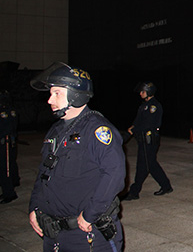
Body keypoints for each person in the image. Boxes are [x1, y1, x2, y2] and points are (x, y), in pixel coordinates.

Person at [28, 62, 126, 251]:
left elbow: (114, 175)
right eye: (51, 93)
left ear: (75, 94)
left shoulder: (97, 129)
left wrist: (90, 214)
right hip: (53, 234)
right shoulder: (55, 131)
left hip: (86, 235)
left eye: (57, 93)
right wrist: (35, 208)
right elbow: (44, 173)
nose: (50, 100)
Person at [123, 81, 172, 200]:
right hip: (143, 140)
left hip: (149, 139)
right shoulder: (144, 105)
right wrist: (133, 127)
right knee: (149, 164)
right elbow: (139, 120)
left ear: (149, 92)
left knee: (145, 165)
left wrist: (133, 130)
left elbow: (148, 124)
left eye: (142, 91)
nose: (140, 93)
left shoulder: (153, 106)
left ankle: (134, 192)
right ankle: (165, 186)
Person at [0, 90, 19, 204]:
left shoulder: (4, 111)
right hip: (9, 140)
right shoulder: (11, 110)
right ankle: (14, 181)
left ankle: (9, 193)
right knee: (10, 163)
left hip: (4, 141)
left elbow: (5, 128)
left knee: (4, 167)